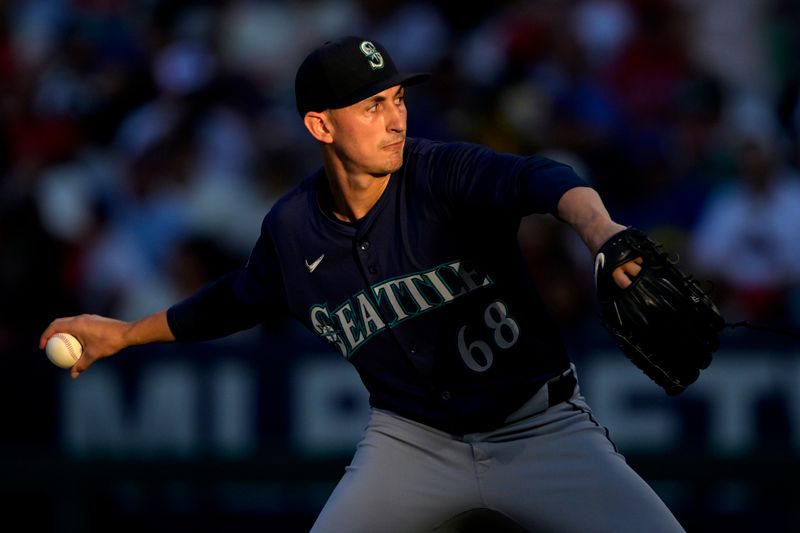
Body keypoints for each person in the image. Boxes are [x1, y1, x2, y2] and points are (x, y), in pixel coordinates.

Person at [41, 36, 684, 532]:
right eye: (373, 105)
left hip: (540, 429)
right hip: (412, 442)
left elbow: (541, 180)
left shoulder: (440, 171)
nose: (397, 118)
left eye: (399, 99)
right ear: (321, 126)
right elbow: (231, 301)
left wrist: (601, 230)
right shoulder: (293, 231)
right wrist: (125, 334)